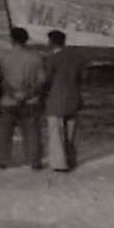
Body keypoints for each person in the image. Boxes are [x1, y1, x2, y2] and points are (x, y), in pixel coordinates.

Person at [0, 28, 46, 170]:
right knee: (32, 131)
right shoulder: (36, 58)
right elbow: (41, 81)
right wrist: (26, 94)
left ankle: (0, 160)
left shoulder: (3, 57)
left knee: (3, 132)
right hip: (30, 100)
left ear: (12, 39)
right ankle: (34, 161)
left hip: (8, 99)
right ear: (26, 40)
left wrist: (11, 94)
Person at [43, 31, 87, 172]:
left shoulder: (52, 59)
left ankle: (59, 163)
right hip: (74, 97)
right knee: (70, 133)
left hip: (56, 98)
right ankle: (71, 159)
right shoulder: (78, 58)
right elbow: (83, 78)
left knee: (56, 133)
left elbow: (47, 80)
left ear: (51, 42)